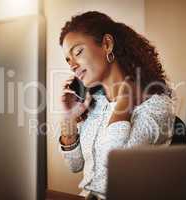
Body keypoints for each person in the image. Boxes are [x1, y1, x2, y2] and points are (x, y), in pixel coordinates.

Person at [58, 11, 176, 200]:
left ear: (107, 44)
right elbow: (75, 164)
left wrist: (124, 102)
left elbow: (111, 165)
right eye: (68, 59)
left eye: (78, 52)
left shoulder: (156, 104)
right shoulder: (95, 103)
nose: (72, 65)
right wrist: (69, 119)